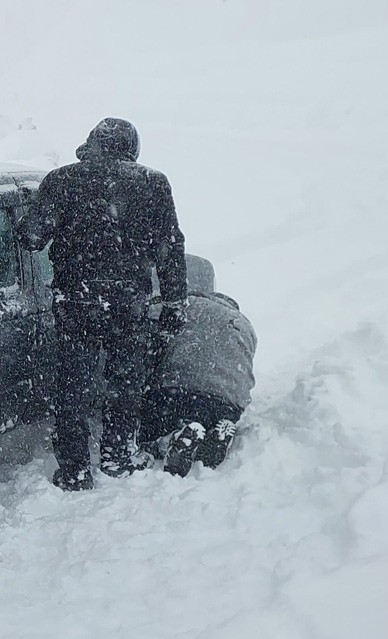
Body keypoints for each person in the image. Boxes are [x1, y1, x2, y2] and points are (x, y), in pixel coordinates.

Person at [18, 118, 187, 491]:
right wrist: (175, 302)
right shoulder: (153, 183)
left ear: (92, 143)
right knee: (125, 383)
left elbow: (31, 236)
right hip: (129, 303)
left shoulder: (62, 180)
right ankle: (116, 456)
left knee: (72, 385)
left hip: (75, 299)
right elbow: (170, 248)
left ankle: (75, 469)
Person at [143, 291, 257, 477]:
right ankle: (217, 428)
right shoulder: (243, 324)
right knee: (208, 412)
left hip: (177, 394)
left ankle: (172, 438)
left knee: (150, 429)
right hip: (227, 401)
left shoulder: (182, 307)